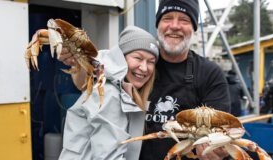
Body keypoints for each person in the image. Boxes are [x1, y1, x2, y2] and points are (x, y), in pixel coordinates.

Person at [59, 0, 231, 159]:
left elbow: (221, 131)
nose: (175, 26)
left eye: (184, 20)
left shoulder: (210, 74)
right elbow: (89, 81)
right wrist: (78, 62)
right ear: (158, 25)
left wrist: (218, 149)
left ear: (194, 27)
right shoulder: (139, 59)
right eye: (167, 18)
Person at [58, 26, 159, 160]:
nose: (144, 67)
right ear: (121, 58)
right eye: (138, 58)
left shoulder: (123, 91)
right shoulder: (109, 92)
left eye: (151, 62)